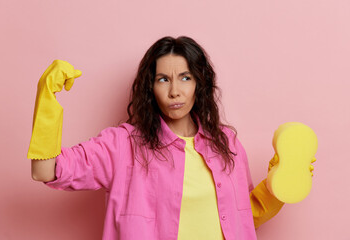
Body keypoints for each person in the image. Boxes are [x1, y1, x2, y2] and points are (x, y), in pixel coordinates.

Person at [29, 36, 286, 240]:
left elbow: (243, 217)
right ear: (150, 88)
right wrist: (47, 102)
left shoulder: (226, 143)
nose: (174, 91)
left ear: (200, 84)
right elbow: (45, 170)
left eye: (185, 78)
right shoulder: (122, 145)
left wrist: (280, 186)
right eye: (163, 79)